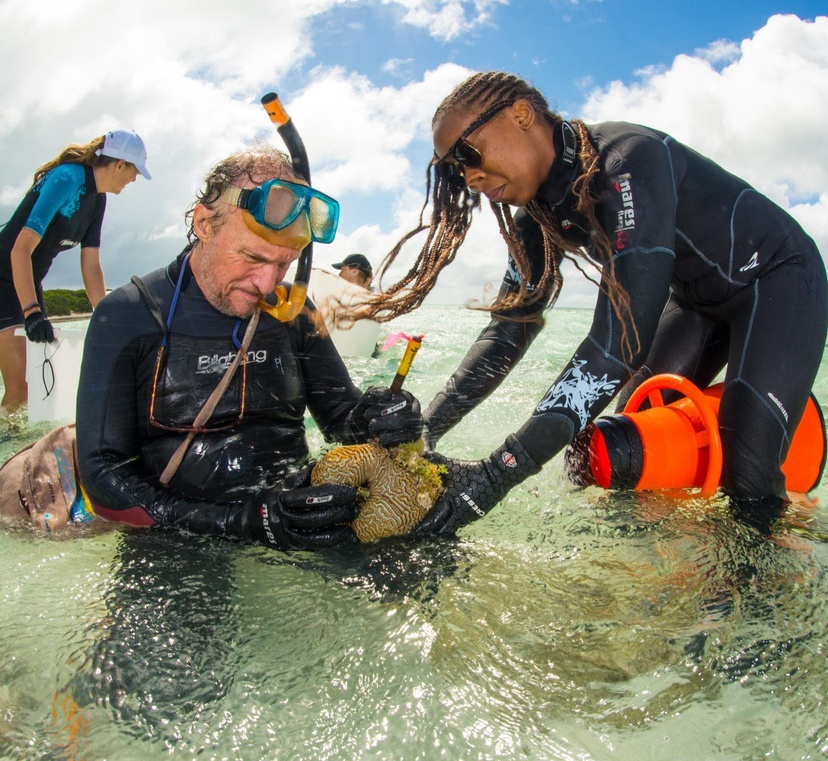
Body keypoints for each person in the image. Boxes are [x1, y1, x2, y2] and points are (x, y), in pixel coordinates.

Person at [360, 70, 827, 535]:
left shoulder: (627, 161)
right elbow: (507, 331)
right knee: (628, 449)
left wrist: (497, 472)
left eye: (467, 152)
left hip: (778, 279)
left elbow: (618, 345)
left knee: (746, 474)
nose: (469, 176)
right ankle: (659, 564)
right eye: (453, 170)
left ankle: (769, 588)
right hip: (694, 302)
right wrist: (426, 429)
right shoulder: (537, 221)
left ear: (521, 114)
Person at [75, 146, 422, 549]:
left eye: (284, 264)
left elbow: (342, 419)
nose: (266, 283)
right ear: (205, 224)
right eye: (252, 257)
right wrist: (233, 522)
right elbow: (102, 474)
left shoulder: (292, 309)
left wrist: (382, 419)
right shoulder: (127, 314)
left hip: (292, 517)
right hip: (179, 537)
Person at [0, 129, 151, 412]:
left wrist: (106, 317)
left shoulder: (98, 199)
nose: (134, 179)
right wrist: (32, 313)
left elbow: (91, 265)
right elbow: (19, 250)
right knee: (19, 389)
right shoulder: (67, 178)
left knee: (40, 392)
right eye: (135, 172)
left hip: (28, 285)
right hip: (4, 278)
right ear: (119, 164)